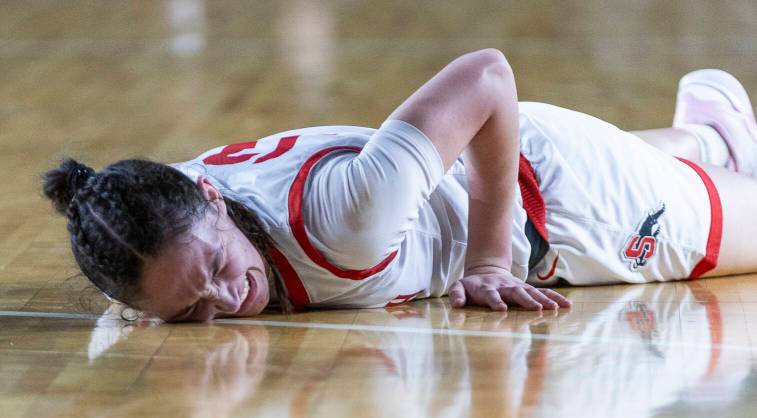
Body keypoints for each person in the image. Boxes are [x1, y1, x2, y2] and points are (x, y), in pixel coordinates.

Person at [42, 50, 757, 322]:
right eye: (189, 309)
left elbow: (487, 76)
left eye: (218, 272)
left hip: (575, 204)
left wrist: (484, 262)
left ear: (211, 198)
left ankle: (708, 156)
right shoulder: (154, 207)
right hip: (510, 160)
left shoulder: (345, 220)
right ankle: (709, 138)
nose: (227, 302)